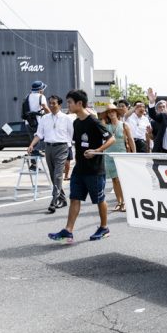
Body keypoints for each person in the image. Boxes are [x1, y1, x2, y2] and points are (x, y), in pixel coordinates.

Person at [48, 89, 115, 244]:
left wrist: (97, 151)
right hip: (79, 169)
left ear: (79, 103)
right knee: (75, 198)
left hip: (95, 169)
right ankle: (68, 231)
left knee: (99, 199)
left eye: (70, 102)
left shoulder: (94, 121)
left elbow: (110, 139)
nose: (68, 105)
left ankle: (104, 228)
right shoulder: (76, 123)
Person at [27, 95, 74, 214]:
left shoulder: (66, 118)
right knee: (53, 175)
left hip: (62, 147)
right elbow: (39, 134)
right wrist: (32, 145)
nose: (52, 106)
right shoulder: (44, 118)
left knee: (58, 174)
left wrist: (68, 146)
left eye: (54, 103)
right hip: (48, 148)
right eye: (50, 103)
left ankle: (54, 200)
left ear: (59, 104)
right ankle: (63, 199)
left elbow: (72, 134)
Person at [100, 104, 135, 212]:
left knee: (120, 179)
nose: (111, 113)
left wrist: (134, 153)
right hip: (109, 155)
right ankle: (119, 202)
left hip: (121, 155)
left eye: (113, 111)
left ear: (117, 113)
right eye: (108, 112)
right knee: (114, 180)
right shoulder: (106, 126)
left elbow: (130, 139)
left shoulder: (124, 125)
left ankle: (124, 202)